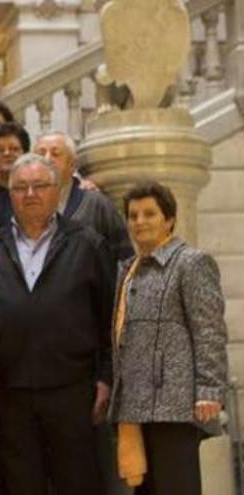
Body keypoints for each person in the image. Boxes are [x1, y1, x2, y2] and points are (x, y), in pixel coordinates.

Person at [0, 154, 114, 495]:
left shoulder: (89, 244)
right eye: (20, 187)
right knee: (20, 486)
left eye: (39, 186)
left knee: (79, 483)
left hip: (73, 390)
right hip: (9, 394)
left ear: (58, 190)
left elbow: (109, 319)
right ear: (9, 194)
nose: (30, 193)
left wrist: (106, 378)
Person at [111, 181, 228, 494]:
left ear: (169, 219)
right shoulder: (130, 270)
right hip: (136, 404)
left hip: (175, 404)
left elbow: (209, 329)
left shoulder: (191, 262)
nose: (140, 222)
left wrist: (209, 389)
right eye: (133, 215)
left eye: (149, 213)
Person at [34, 130, 133, 262]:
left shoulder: (96, 204)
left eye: (55, 154)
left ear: (72, 164)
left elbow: (125, 257)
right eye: (41, 154)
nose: (47, 159)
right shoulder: (24, 203)